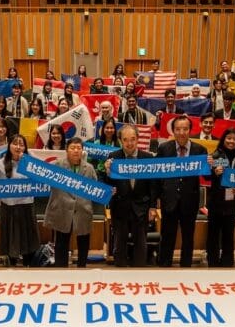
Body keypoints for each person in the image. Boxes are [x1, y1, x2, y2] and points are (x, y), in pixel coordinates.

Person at [155, 115, 207, 267]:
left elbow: (207, 177)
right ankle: (164, 265)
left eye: (185, 129)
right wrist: (158, 198)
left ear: (190, 130)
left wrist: (210, 165)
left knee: (188, 236)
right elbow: (157, 175)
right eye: (178, 129)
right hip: (169, 199)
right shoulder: (164, 149)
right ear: (173, 131)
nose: (182, 132)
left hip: (189, 200)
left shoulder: (199, 150)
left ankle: (186, 266)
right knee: (167, 235)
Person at [103, 124, 157, 267]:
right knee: (119, 245)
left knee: (141, 244)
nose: (129, 143)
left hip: (142, 207)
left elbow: (153, 185)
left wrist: (152, 207)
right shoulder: (113, 158)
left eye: (132, 139)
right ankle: (120, 274)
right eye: (125, 140)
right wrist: (107, 173)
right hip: (120, 207)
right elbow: (108, 184)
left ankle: (139, 274)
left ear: (138, 139)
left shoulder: (148, 158)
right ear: (120, 141)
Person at [43, 138, 97, 268]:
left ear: (82, 151)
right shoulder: (57, 165)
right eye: (73, 148)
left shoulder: (89, 168)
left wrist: (108, 192)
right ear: (67, 150)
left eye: (79, 148)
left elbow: (96, 188)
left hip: (83, 210)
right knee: (61, 243)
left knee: (83, 244)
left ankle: (82, 269)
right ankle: (61, 271)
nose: (76, 151)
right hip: (62, 210)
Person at [0, 135, 40, 266]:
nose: (18, 147)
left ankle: (28, 265)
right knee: (10, 238)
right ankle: (11, 265)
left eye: (21, 144)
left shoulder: (31, 162)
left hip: (27, 206)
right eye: (15, 144)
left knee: (28, 239)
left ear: (25, 147)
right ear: (9, 146)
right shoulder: (0, 163)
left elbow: (41, 180)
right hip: (8, 207)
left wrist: (27, 163)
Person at [206, 128, 235, 267]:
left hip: (232, 203)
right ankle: (212, 262)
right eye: (229, 138)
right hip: (216, 202)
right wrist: (214, 172)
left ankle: (227, 263)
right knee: (213, 234)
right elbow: (205, 176)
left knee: (228, 235)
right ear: (223, 139)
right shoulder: (215, 156)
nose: (231, 141)